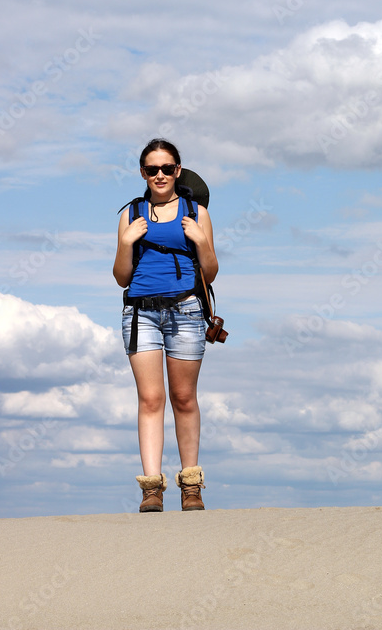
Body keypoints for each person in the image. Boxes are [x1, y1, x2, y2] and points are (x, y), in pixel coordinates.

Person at [113, 138, 218, 512]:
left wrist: (200, 240)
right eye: (152, 169)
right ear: (143, 173)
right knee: (151, 399)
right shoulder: (131, 213)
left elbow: (211, 270)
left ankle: (191, 485)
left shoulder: (197, 212)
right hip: (141, 314)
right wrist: (127, 242)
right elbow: (121, 277)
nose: (160, 175)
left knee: (184, 399)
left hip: (186, 311)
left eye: (167, 169)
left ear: (178, 171)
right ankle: (151, 488)